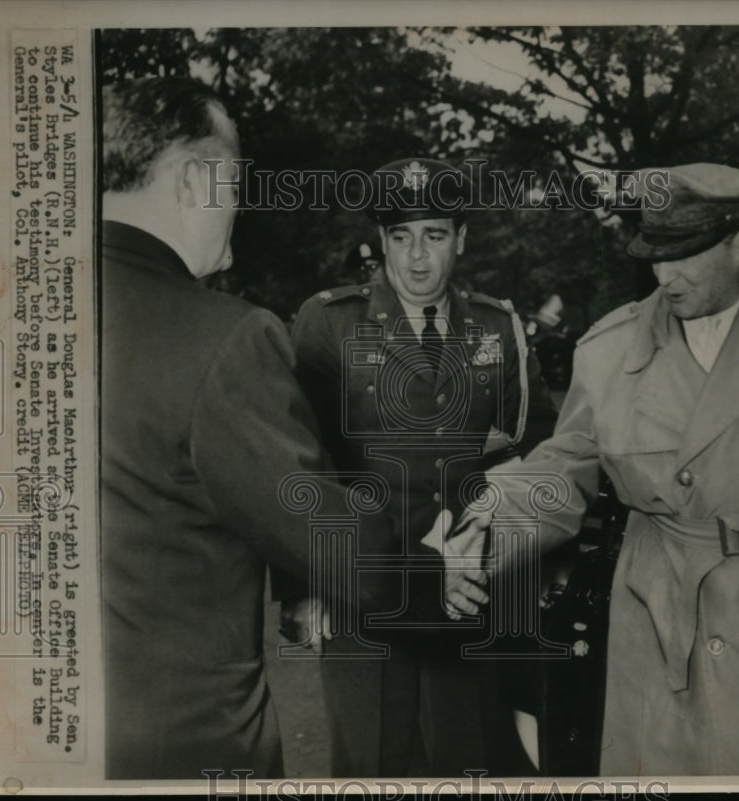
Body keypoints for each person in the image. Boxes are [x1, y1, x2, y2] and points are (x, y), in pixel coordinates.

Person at [454, 163, 739, 774]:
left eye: (684, 257)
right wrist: (490, 524)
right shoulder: (609, 350)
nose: (664, 276)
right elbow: (565, 466)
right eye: (654, 256)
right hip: (659, 613)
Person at [99, 79, 450, 780]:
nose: (237, 208)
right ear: (198, 177)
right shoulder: (222, 338)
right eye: (234, 183)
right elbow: (358, 558)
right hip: (184, 750)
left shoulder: (5, 309)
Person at [287, 157, 558, 776]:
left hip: (470, 590)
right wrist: (303, 587)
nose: (416, 257)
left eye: (434, 235)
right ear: (382, 239)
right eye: (401, 237)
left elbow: (538, 451)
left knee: (470, 760)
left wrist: (497, 539)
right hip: (363, 590)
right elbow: (300, 459)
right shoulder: (329, 322)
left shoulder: (498, 326)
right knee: (372, 761)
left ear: (460, 238)